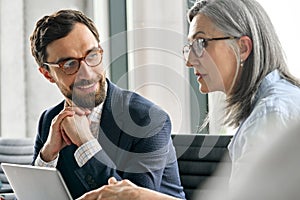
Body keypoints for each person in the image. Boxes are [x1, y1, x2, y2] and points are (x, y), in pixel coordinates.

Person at [76, 0, 300, 199]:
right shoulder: (274, 104)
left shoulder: (270, 114)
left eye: (201, 44)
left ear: (242, 48)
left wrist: (139, 195)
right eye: (189, 47)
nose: (190, 61)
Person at [30, 9, 185, 199]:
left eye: (92, 56)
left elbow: (131, 197)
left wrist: (86, 143)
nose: (87, 73)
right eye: (69, 64)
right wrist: (47, 156)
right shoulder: (49, 120)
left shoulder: (148, 119)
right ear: (47, 74)